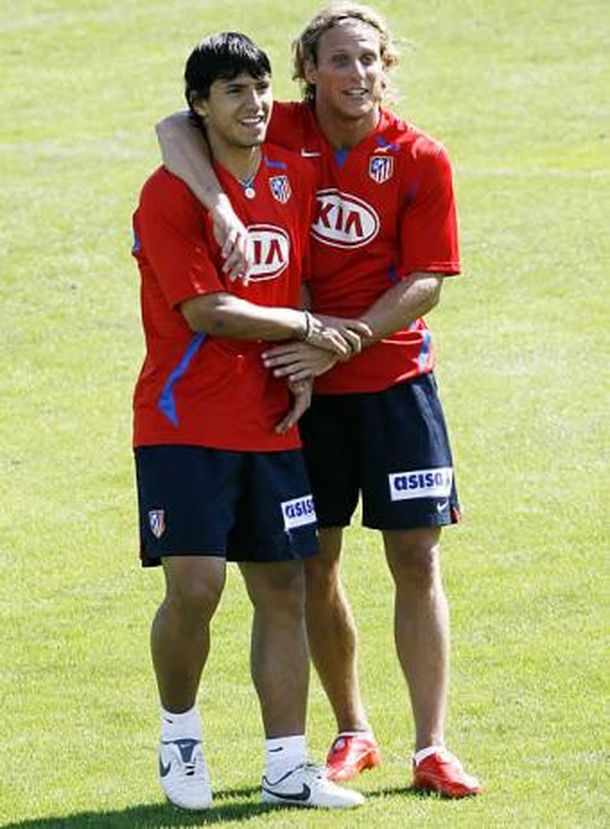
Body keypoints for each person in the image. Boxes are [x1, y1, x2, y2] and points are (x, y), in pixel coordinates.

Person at [155, 4, 482, 798]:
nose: (358, 74)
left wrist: (346, 337)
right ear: (309, 68)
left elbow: (427, 281)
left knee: (416, 555)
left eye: (370, 59)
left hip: (395, 381)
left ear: (387, 66)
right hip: (303, 394)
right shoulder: (279, 127)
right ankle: (352, 730)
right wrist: (224, 209)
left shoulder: (419, 157)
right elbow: (172, 128)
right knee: (314, 562)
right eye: (340, 60)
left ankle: (431, 745)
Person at [131, 31, 369, 810]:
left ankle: (286, 765)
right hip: (183, 422)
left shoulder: (287, 177)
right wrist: (305, 331)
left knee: (284, 587)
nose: (255, 103)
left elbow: (291, 282)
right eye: (233, 90)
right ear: (201, 105)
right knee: (196, 588)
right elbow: (209, 312)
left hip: (269, 421)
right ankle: (179, 734)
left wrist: (304, 363)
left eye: (261, 87)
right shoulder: (167, 194)